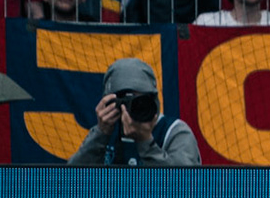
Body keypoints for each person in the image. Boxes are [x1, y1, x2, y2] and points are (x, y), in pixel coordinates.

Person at [66, 57, 200, 166]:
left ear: (153, 100)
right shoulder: (106, 132)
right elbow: (71, 182)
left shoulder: (174, 132)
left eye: (140, 101)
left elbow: (185, 187)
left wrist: (146, 142)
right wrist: (100, 135)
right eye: (124, 101)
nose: (130, 109)